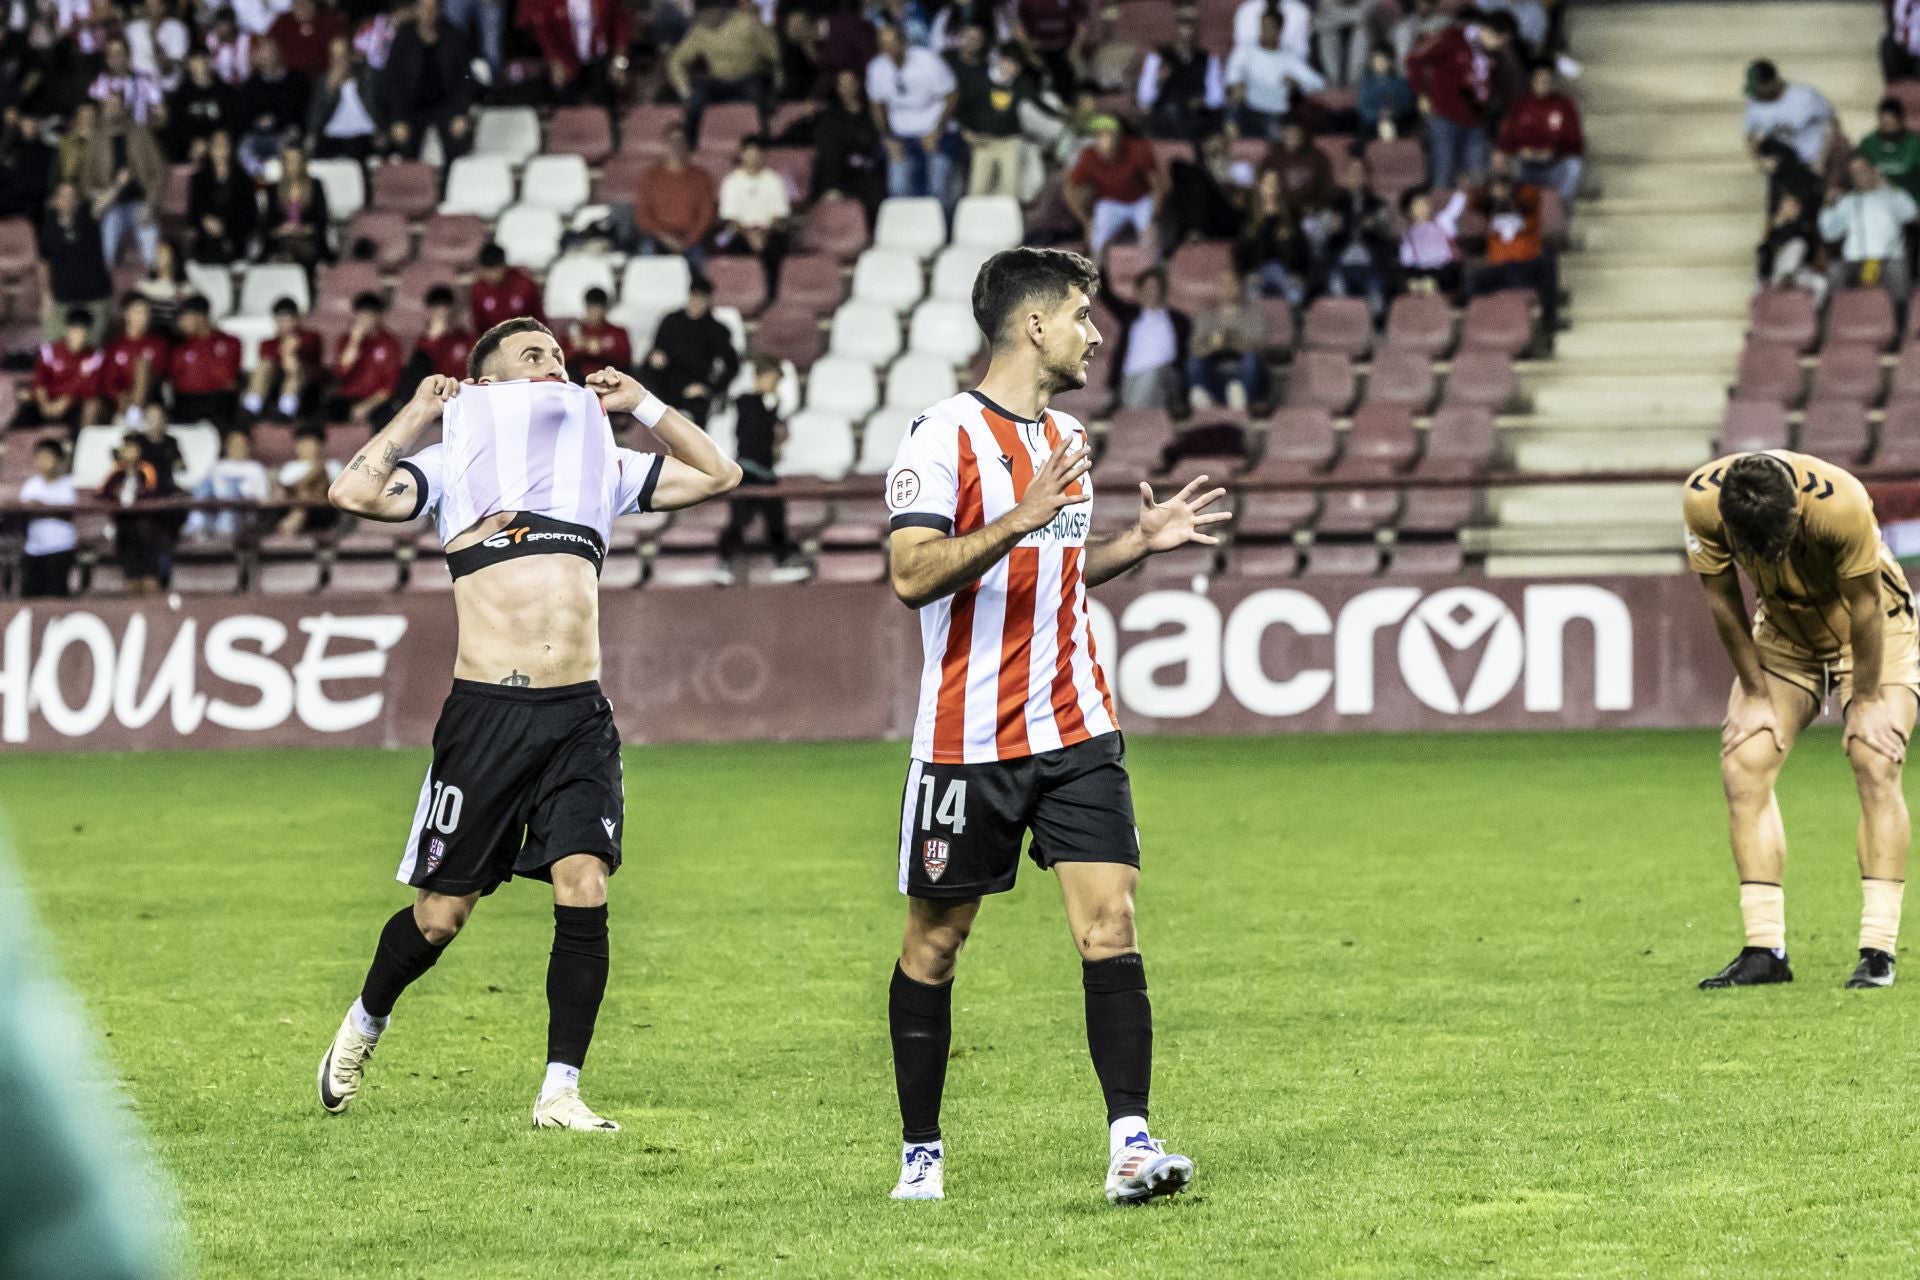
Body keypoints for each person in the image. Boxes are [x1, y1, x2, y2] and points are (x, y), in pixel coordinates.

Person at [317, 320, 742, 1131]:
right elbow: (354, 493)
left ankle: (560, 1091)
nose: (554, 365)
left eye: (557, 354)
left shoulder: (600, 466)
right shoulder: (454, 465)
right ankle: (364, 1022)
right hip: (487, 716)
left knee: (584, 884)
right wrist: (417, 412)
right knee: (441, 917)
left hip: (578, 712)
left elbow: (719, 473)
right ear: (489, 384)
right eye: (532, 356)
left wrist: (642, 401)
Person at [880, 246, 1225, 1204]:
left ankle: (1130, 1143)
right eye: (1080, 313)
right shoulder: (940, 436)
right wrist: (1021, 517)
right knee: (934, 948)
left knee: (1110, 925)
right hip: (965, 745)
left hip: (1077, 728)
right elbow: (911, 576)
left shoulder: (1067, 435)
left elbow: (1063, 565)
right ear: (1033, 324)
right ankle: (921, 1153)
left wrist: (1135, 547)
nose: (1095, 331)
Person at [1684, 450, 1920, 991]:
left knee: (1874, 756)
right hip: (1784, 634)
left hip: (1875, 631)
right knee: (1745, 762)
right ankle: (1765, 948)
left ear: (1797, 513)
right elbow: (1721, 599)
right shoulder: (1700, 502)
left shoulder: (1843, 503)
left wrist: (1865, 699)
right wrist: (1756, 691)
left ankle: (1878, 949)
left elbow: (1865, 604)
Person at [1405, 11, 1514, 189]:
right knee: (1444, 172)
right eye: (1502, 41)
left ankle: (1472, 216)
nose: (1501, 46)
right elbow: (1415, 59)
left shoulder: (1497, 56)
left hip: (1476, 121)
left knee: (1478, 177)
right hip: (1444, 115)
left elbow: (1497, 89)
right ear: (1493, 33)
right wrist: (1422, 94)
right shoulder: (1452, 38)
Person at [717, 356, 798, 568]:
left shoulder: (771, 409)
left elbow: (775, 437)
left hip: (766, 472)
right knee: (739, 519)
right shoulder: (746, 401)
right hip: (747, 471)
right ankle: (724, 561)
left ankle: (782, 561)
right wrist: (772, 412)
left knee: (776, 518)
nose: (775, 385)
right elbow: (754, 430)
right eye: (772, 379)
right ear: (760, 378)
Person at [669, 0, 781, 146]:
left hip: (749, 77)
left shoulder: (748, 23)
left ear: (719, 10)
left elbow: (775, 54)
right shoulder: (699, 31)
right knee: (696, 95)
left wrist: (779, 82)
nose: (703, 19)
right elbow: (676, 61)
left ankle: (765, 140)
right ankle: (690, 144)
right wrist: (685, 91)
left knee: (756, 91)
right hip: (718, 81)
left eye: (706, 15)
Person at [866, 22, 956, 201]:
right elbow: (877, 106)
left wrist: (938, 130)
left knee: (938, 189)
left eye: (891, 43)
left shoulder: (928, 60)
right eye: (883, 44)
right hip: (900, 135)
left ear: (903, 42)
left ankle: (943, 228)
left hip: (933, 130)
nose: (887, 49)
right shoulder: (876, 68)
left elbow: (952, 95)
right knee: (897, 189)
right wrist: (887, 138)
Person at [380, 0, 475, 163]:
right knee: (405, 147)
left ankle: (449, 186)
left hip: (447, 105)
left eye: (432, 9)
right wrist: (397, 118)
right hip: (412, 107)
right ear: (416, 10)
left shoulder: (453, 35)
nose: (428, 13)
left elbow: (465, 79)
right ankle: (412, 186)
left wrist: (461, 113)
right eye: (424, 9)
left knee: (456, 146)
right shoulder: (404, 38)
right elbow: (392, 81)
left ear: (439, 11)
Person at [1469, 174, 1558, 346]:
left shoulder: (1529, 210)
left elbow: (1532, 196)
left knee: (1547, 262)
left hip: (1525, 266)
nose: (1500, 191)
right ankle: (1474, 332)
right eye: (1496, 188)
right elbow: (1474, 201)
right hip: (1499, 270)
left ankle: (1549, 324)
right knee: (1474, 278)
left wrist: (1512, 196)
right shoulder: (1490, 212)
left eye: (1504, 187)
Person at [1819, 155, 1918, 305]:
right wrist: (1828, 205)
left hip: (1888, 260)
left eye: (1862, 170)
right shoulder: (1847, 201)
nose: (1859, 176)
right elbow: (1829, 234)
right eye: (1854, 173)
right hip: (1854, 262)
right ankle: (1830, 323)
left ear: (1873, 171)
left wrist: (1889, 186)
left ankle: (1902, 323)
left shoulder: (1889, 196)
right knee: (1834, 271)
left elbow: (1910, 212)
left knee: (1898, 278)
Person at [645, 277, 739, 425]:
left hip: (696, 385)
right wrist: (655, 361)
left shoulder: (717, 330)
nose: (696, 303)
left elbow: (732, 366)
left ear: (709, 301)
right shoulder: (670, 321)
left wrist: (709, 388)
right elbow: (655, 353)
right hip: (666, 382)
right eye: (694, 297)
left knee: (697, 409)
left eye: (701, 299)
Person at [1067, 117, 1165, 258]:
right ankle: (1097, 276)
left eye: (1107, 135)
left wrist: (1154, 216)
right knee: (1096, 239)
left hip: (1140, 199)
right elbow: (1071, 190)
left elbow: (1157, 185)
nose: (1103, 141)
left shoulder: (1137, 149)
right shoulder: (1089, 155)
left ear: (1119, 137)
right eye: (1098, 136)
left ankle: (1154, 273)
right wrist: (1085, 220)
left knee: (1150, 236)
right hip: (1110, 201)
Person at [952, 37, 1036, 199]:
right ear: (999, 59)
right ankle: (974, 223)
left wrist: (1063, 114)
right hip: (983, 142)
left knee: (1009, 191)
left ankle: (1006, 223)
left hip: (1009, 142)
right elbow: (962, 108)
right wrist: (966, 131)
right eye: (1007, 62)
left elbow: (1038, 105)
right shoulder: (980, 82)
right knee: (977, 190)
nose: (1010, 68)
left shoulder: (1021, 86)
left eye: (1015, 65)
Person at [1224, 12, 1325, 140]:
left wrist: (1298, 83)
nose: (1264, 31)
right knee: (1231, 105)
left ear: (1279, 30)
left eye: (1269, 27)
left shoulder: (1289, 57)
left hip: (1276, 114)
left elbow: (1319, 83)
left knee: (1280, 130)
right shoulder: (1245, 50)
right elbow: (1231, 77)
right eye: (1262, 26)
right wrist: (1237, 85)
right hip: (1248, 109)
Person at [1497, 61, 1585, 207]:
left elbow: (1576, 141)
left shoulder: (1564, 105)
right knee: (1503, 162)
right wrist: (1520, 150)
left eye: (1547, 80)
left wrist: (1554, 152)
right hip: (1524, 165)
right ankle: (1512, 209)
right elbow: (1506, 138)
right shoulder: (1521, 105)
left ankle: (1559, 209)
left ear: (1554, 82)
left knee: (1574, 165)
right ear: (1532, 81)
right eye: (1539, 80)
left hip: (1552, 164)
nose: (1543, 84)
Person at [1101, 265, 1188, 411]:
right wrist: (1098, 259)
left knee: (1156, 373)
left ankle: (1130, 414)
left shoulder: (1179, 320)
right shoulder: (1130, 315)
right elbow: (1105, 295)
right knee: (1148, 383)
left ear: (1162, 291)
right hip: (1131, 381)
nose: (1151, 292)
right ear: (1139, 291)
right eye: (1147, 287)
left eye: (1155, 288)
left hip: (1167, 379)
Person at [717, 136, 790, 305]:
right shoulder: (731, 182)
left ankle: (772, 299)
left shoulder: (774, 180)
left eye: (757, 153)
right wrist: (749, 235)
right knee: (732, 245)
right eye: (749, 153)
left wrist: (763, 234)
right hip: (741, 232)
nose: (753, 157)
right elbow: (730, 218)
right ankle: (739, 296)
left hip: (768, 230)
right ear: (742, 154)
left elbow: (778, 214)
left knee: (776, 245)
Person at [36, 182, 113, 344]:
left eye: (72, 196)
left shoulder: (89, 219)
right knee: (51, 345)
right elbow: (43, 264)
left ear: (78, 201)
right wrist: (46, 294)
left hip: (94, 298)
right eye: (63, 196)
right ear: (55, 200)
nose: (67, 200)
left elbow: (104, 203)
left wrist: (119, 184)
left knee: (91, 348)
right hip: (62, 299)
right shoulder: (47, 228)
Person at [517, 0, 633, 103]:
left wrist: (619, 61)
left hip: (600, 58)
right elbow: (544, 30)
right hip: (567, 58)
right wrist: (555, 61)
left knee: (607, 92)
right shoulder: (551, 3)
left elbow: (621, 24)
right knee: (563, 93)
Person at [97, 431, 170, 594]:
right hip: (124, 526)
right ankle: (131, 579)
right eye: (125, 448)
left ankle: (151, 579)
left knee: (150, 579)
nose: (128, 452)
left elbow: (155, 492)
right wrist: (116, 493)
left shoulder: (148, 469)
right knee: (131, 577)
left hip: (147, 527)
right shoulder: (115, 472)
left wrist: (139, 494)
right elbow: (102, 493)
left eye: (132, 448)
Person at [634, 127, 718, 267]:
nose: (676, 146)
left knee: (704, 262)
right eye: (671, 141)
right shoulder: (649, 177)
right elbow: (643, 215)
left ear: (687, 145)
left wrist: (687, 240)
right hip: (658, 238)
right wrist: (665, 236)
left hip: (691, 239)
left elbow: (706, 214)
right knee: (646, 252)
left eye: (680, 141)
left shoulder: (702, 177)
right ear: (664, 145)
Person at [809, 68, 885, 221]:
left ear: (858, 84)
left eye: (850, 83)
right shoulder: (830, 116)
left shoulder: (870, 115)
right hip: (838, 175)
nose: (846, 88)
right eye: (842, 85)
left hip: (865, 173)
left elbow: (874, 144)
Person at [1137, 14, 1225, 142]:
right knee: (1171, 111)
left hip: (1196, 114)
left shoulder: (1208, 59)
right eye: (1182, 37)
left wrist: (1203, 100)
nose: (1185, 42)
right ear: (1174, 36)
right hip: (1166, 114)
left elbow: (1217, 99)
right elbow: (1144, 98)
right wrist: (1158, 80)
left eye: (1189, 37)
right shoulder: (1158, 58)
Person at [1188, 272, 1267, 410]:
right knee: (1195, 360)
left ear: (1239, 288)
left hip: (1242, 373)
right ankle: (1201, 394)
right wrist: (1213, 345)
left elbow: (1258, 347)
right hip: (1214, 371)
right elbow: (1195, 348)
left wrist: (1230, 341)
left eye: (1232, 284)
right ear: (1217, 289)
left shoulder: (1252, 316)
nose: (1227, 288)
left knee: (1251, 358)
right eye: (1223, 285)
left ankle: (1240, 397)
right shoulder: (1205, 317)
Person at [1742, 58, 1835, 173]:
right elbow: (1751, 137)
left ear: (1772, 81)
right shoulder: (1755, 103)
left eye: (1760, 89)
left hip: (1812, 164)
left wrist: (1822, 159)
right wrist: (1761, 162)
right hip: (1782, 167)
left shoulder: (1805, 96)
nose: (1758, 94)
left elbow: (1832, 124)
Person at [327, 291, 405, 427]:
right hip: (348, 399)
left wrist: (367, 406)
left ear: (378, 316)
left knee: (388, 417)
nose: (365, 319)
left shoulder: (389, 343)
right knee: (327, 411)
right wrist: (354, 342)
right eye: (361, 314)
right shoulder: (345, 340)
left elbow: (390, 384)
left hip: (377, 400)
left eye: (370, 314)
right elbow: (340, 373)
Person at [166, 294, 244, 429]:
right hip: (187, 403)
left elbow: (226, 378)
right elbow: (175, 381)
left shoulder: (230, 342)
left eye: (186, 317)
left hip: (220, 402)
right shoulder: (179, 348)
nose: (181, 322)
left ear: (201, 317)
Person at [235, 38, 312, 173]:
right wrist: (258, 122)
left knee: (288, 143)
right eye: (264, 56)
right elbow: (243, 115)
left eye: (271, 54)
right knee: (245, 147)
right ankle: (257, 183)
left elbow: (300, 113)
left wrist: (276, 120)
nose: (268, 60)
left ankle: (280, 181)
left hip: (285, 133)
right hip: (258, 134)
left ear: (279, 54)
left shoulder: (296, 81)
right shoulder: (252, 85)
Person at [22, 307, 105, 434]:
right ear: (68, 330)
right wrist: (45, 404)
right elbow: (40, 380)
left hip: (73, 405)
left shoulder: (94, 356)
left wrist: (63, 403)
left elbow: (87, 388)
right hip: (46, 401)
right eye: (75, 331)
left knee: (92, 405)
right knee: (23, 398)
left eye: (83, 332)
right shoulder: (49, 351)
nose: (79, 336)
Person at [242, 295, 323, 421]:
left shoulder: (311, 337)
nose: (284, 324)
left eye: (287, 320)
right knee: (264, 365)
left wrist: (290, 350)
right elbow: (269, 364)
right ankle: (251, 408)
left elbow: (307, 356)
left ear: (297, 319)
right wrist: (285, 349)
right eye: (280, 320)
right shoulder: (268, 343)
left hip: (306, 389)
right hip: (274, 387)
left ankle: (286, 410)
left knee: (294, 366)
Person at [1237, 169, 1312, 303]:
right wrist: (1246, 273)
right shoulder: (1250, 218)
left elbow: (1303, 251)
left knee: (1294, 291)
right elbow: (1240, 252)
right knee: (1251, 291)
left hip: (1285, 273)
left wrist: (1298, 273)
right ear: (1260, 187)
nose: (1271, 187)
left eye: (1274, 183)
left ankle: (1293, 320)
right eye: (1267, 183)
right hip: (1258, 272)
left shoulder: (1290, 217)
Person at [184, 429, 272, 540]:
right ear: (227, 447)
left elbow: (263, 499)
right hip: (216, 514)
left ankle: (225, 531)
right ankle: (195, 526)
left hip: (242, 515)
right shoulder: (218, 467)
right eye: (234, 444)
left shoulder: (255, 468)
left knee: (233, 485)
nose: (238, 448)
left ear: (248, 447)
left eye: (241, 444)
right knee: (204, 485)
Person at [18, 438, 78, 598]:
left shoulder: (67, 485)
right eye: (39, 457)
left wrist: (41, 505)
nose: (42, 462)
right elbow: (22, 509)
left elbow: (68, 511)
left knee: (56, 596)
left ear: (58, 460)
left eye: (47, 457)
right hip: (34, 549)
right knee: (30, 597)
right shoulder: (30, 485)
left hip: (60, 548)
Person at [308, 34, 383, 162]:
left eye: (342, 56)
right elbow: (314, 122)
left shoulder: (367, 78)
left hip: (364, 137)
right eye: (335, 57)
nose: (339, 63)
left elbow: (380, 107)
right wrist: (329, 92)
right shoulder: (323, 82)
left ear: (352, 56)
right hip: (333, 138)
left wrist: (382, 130)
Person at [188, 129, 258, 265]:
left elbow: (250, 216)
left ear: (230, 148)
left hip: (235, 241)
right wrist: (204, 221)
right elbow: (193, 213)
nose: (220, 150)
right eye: (216, 145)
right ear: (210, 149)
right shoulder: (199, 179)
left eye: (224, 145)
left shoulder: (244, 180)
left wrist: (226, 227)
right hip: (206, 242)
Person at [259, 141, 330, 267]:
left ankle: (289, 260)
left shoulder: (315, 186)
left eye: (295, 161)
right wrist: (281, 230)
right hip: (281, 239)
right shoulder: (273, 189)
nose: (292, 165)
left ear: (302, 162)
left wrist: (305, 230)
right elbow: (267, 223)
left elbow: (321, 219)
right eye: (288, 161)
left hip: (308, 240)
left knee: (301, 249)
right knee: (286, 246)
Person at [101, 292, 170, 420]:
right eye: (138, 312)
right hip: (121, 401)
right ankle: (130, 414)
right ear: (126, 314)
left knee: (143, 365)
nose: (143, 317)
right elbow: (109, 379)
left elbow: (159, 372)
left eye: (146, 312)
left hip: (151, 397)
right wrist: (120, 396)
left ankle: (134, 415)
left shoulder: (158, 343)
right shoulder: (115, 347)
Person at [166, 48, 239, 162]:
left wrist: (213, 142)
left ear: (210, 62)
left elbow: (232, 122)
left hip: (220, 146)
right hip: (193, 148)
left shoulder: (225, 91)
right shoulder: (181, 95)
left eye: (203, 61)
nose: (200, 67)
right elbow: (177, 126)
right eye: (196, 62)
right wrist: (192, 142)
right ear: (188, 66)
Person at [1398, 185, 1467, 297]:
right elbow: (1406, 262)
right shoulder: (1408, 236)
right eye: (1418, 203)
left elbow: (1456, 206)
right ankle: (1424, 285)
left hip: (1444, 269)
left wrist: (1462, 189)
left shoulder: (1443, 221)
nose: (1424, 206)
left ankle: (1432, 285)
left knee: (1455, 269)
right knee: (1406, 274)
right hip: (1423, 272)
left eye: (1425, 201)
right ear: (1409, 211)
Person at [1757, 190, 1826, 300]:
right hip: (1776, 275)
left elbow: (1810, 254)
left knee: (1821, 283)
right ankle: (1785, 279)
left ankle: (1807, 313)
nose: (1789, 208)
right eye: (1786, 205)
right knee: (1796, 245)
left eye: (1793, 205)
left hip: (1796, 275)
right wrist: (1772, 228)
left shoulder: (1804, 228)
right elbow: (1762, 250)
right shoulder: (1773, 227)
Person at [275, 429, 342, 536]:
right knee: (302, 491)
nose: (304, 448)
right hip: (291, 506)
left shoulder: (333, 465)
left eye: (309, 444)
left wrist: (314, 474)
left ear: (320, 445)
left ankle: (293, 521)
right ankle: (298, 516)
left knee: (320, 475)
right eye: (301, 444)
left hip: (322, 510)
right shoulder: (289, 467)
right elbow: (284, 491)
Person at [1856, 97, 1920, 207]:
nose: (1888, 131)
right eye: (1884, 124)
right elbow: (1855, 170)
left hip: (1910, 204)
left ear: (1900, 122)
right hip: (1875, 203)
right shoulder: (1868, 144)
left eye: (1892, 125)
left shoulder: (1914, 144)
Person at [470, 242, 547, 331]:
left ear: (503, 267)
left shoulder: (525, 285)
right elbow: (478, 325)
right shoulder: (478, 289)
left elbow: (539, 318)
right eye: (487, 271)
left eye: (495, 270)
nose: (491, 275)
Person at [565, 288, 633, 382]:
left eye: (597, 308)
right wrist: (576, 348)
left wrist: (602, 349)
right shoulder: (575, 331)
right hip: (580, 380)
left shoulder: (617, 332)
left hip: (609, 380)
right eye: (590, 308)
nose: (593, 312)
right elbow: (562, 358)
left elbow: (625, 357)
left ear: (605, 310)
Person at [268, 0, 346, 79]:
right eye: (298, 4)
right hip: (290, 78)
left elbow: (340, 46)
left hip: (324, 75)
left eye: (305, 3)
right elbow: (269, 43)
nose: (302, 7)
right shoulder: (283, 22)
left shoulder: (329, 19)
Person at [1312, 0, 1379, 90]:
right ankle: (1333, 83)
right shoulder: (1326, 3)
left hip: (1366, 30)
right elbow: (1319, 21)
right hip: (1328, 29)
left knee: (1361, 31)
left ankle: (1354, 83)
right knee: (1326, 31)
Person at [412, 285, 476, 380]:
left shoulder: (464, 337)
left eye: (445, 309)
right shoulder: (423, 343)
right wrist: (434, 337)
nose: (442, 314)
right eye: (436, 310)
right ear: (428, 313)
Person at [1356, 43, 1416, 140]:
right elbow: (1364, 107)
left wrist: (1392, 112)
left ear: (1391, 61)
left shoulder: (1400, 82)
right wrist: (1379, 115)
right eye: (1376, 60)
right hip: (1373, 122)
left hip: (1397, 119)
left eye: (1383, 60)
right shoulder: (1366, 83)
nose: (1379, 63)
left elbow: (1407, 103)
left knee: (1396, 126)